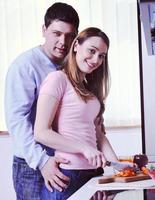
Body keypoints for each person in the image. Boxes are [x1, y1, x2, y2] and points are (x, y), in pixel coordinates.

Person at [4, 2, 79, 199]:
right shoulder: (25, 66)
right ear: (44, 30)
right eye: (56, 33)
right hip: (33, 166)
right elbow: (17, 121)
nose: (63, 41)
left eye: (70, 36)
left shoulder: (73, 66)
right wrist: (42, 161)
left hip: (66, 162)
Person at [34, 27, 119, 199]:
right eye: (92, 51)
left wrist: (119, 167)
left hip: (93, 174)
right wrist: (85, 149)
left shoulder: (90, 91)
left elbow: (98, 135)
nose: (96, 59)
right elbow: (41, 132)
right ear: (76, 46)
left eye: (101, 55)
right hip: (67, 177)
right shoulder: (57, 79)